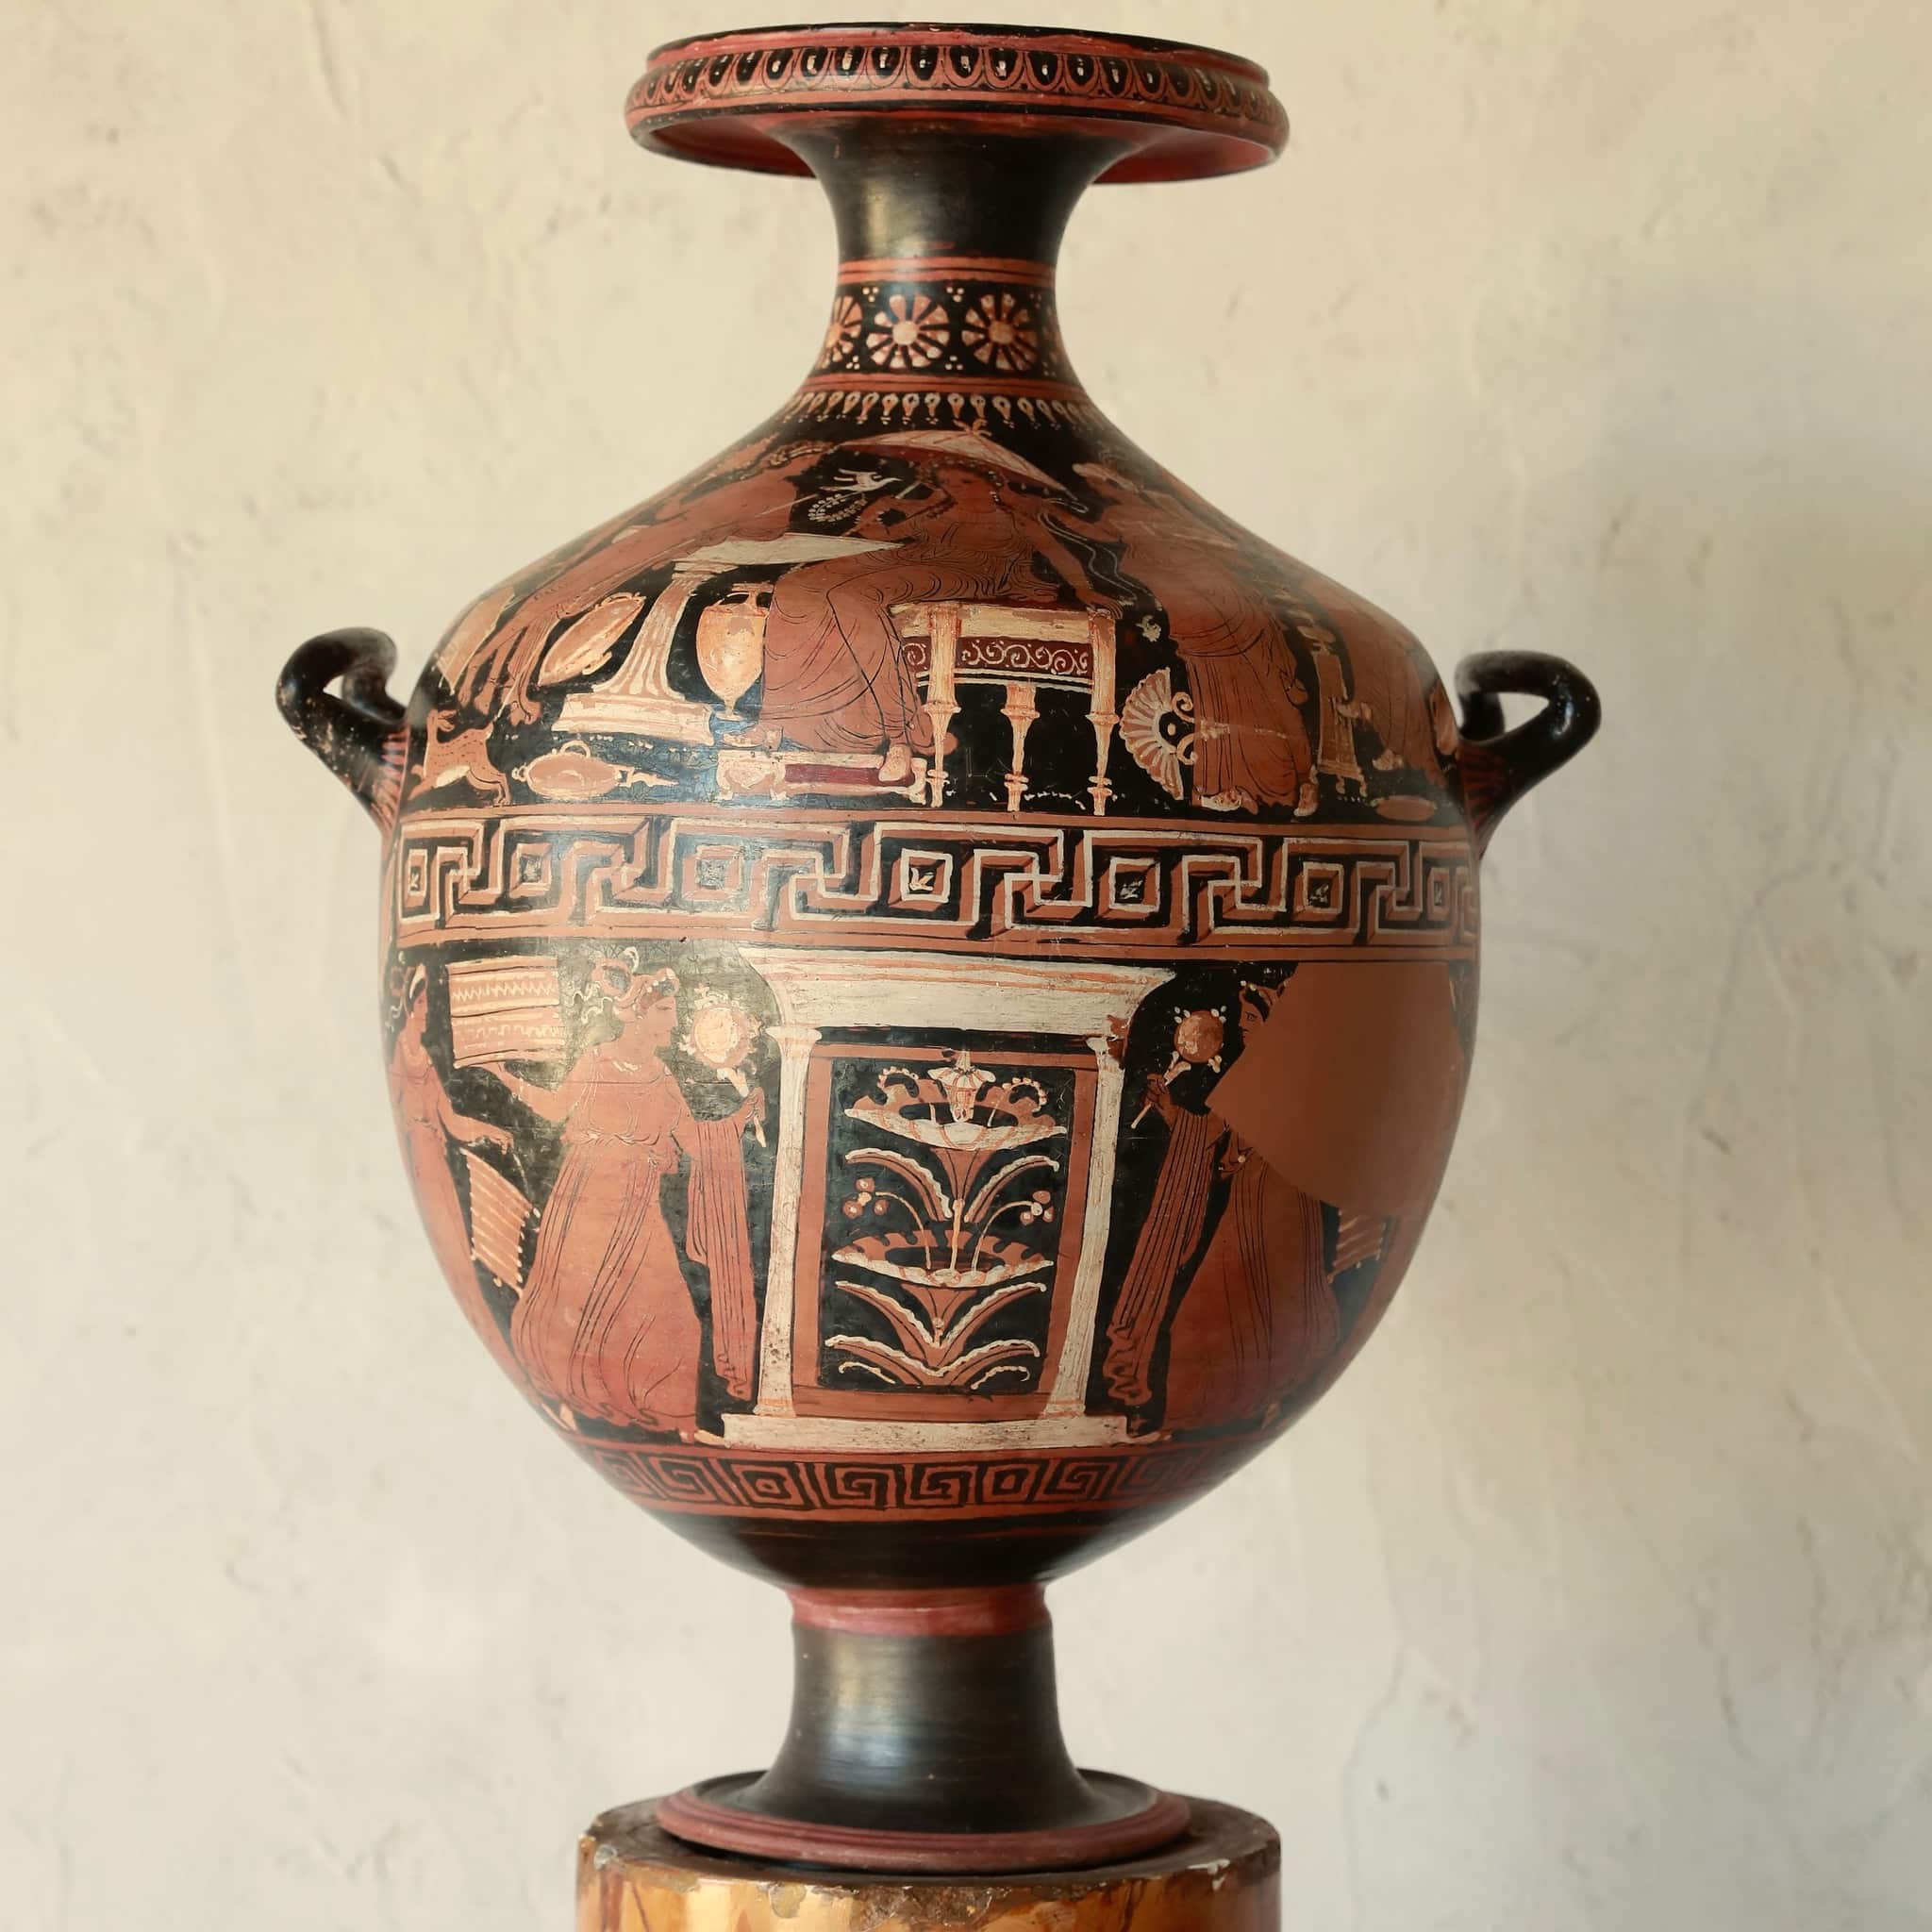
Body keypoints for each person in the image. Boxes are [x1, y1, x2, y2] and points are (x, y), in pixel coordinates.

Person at [483, 961, 763, 1435]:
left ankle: (679, 1421)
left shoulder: (661, 1075)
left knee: (673, 1313)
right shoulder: (596, 1061)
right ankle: (574, 1397)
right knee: (576, 1303)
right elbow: (554, 1107)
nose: (674, 1021)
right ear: (639, 1014)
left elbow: (694, 1141)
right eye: (666, 1011)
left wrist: (740, 1118)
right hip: (587, 1201)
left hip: (638, 1206)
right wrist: (502, 1075)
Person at [754, 458, 1117, 784]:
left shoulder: (1014, 518)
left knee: (851, 598)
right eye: (948, 483)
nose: (957, 489)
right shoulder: (936, 513)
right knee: (795, 585)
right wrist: (877, 510)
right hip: (912, 558)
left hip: (968, 571)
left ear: (991, 481)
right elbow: (882, 537)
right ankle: (774, 719)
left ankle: (900, 736)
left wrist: (1085, 590)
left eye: (966, 481)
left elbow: (1057, 552)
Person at [1064, 463, 1316, 814]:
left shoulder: (1127, 513)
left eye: (1095, 483)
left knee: (1240, 690)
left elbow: (1092, 532)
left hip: (1213, 603)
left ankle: (1279, 782)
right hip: (1209, 605)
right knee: (1224, 691)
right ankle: (1236, 783)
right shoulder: (1163, 508)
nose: (1094, 489)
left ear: (1114, 483)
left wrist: (1045, 511)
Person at [386, 972, 527, 1394]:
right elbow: (415, 1116)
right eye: (423, 1005)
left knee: (462, 1253)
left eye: (429, 1006)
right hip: (425, 1161)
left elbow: (450, 1121)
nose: (427, 1014)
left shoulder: (425, 1061)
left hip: (437, 1159)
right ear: (410, 1006)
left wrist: (490, 1132)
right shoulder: (402, 1059)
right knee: (457, 1248)